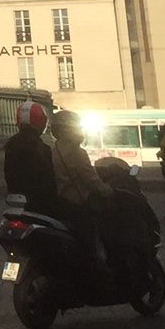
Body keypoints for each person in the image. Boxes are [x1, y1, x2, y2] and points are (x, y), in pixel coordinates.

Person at [50, 108, 112, 262]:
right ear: (70, 130)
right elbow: (92, 181)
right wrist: (109, 190)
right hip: (77, 206)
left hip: (60, 203)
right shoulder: (77, 153)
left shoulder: (53, 150)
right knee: (91, 245)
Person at [3, 98, 57, 213]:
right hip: (41, 202)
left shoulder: (11, 145)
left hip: (16, 199)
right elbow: (50, 179)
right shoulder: (42, 149)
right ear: (41, 123)